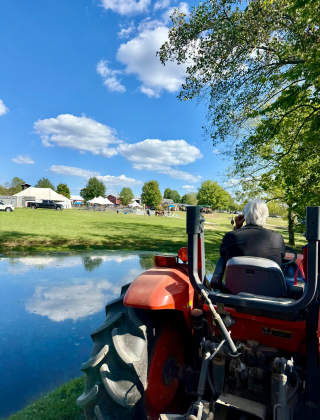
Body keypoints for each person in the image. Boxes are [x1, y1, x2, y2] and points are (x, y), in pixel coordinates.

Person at [220, 199, 286, 267]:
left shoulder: (229, 237)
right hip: (266, 277)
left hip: (237, 277)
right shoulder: (277, 239)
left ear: (243, 216)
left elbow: (224, 256)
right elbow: (282, 257)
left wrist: (237, 228)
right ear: (266, 217)